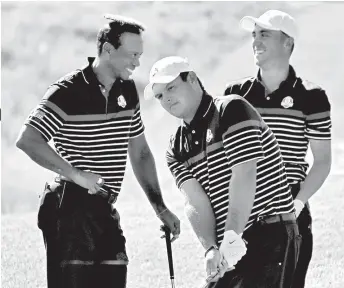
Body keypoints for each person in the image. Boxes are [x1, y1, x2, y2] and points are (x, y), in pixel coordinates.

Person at [16, 14, 180, 288]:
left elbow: (139, 153)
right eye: (131, 55)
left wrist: (160, 207)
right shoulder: (68, 91)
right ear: (107, 50)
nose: (137, 63)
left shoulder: (127, 91)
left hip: (103, 207)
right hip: (67, 207)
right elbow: (28, 139)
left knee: (116, 271)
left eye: (139, 55)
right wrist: (76, 174)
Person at [144, 56, 301, 287]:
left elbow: (244, 175)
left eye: (171, 87)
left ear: (193, 79)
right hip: (230, 244)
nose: (166, 98)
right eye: (159, 96)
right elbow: (195, 202)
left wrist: (231, 236)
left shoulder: (231, 109)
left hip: (270, 232)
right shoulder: (176, 147)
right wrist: (211, 248)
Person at [223, 10, 332, 288]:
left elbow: (322, 162)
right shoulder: (236, 94)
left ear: (287, 43)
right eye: (254, 35)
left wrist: (296, 204)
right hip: (243, 206)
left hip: (289, 207)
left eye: (264, 34)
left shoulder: (311, 96)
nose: (256, 41)